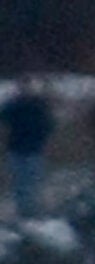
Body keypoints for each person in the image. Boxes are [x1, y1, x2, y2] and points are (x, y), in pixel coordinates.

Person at [0, 80, 52, 218]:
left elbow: (48, 124)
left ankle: (33, 211)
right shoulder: (14, 106)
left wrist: (42, 139)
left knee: (31, 181)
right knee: (20, 182)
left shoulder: (37, 106)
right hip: (17, 149)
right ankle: (24, 212)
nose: (24, 91)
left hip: (33, 149)